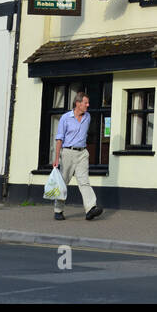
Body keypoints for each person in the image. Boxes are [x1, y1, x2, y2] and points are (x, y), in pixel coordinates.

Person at [53, 91, 102, 220]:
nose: (88, 105)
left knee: (84, 181)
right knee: (63, 182)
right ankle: (58, 210)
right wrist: (57, 158)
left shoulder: (88, 117)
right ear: (78, 103)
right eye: (85, 102)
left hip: (82, 153)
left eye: (87, 102)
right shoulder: (65, 118)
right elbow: (59, 139)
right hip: (68, 152)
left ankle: (90, 208)